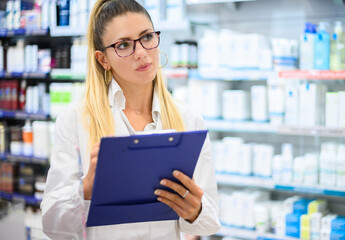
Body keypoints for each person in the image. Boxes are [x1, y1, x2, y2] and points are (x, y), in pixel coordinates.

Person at [40, 0, 221, 239]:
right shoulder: (76, 119)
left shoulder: (188, 118)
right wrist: (86, 188)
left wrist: (195, 211)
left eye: (146, 37)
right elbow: (52, 225)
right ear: (103, 59)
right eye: (124, 45)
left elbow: (209, 222)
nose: (141, 53)